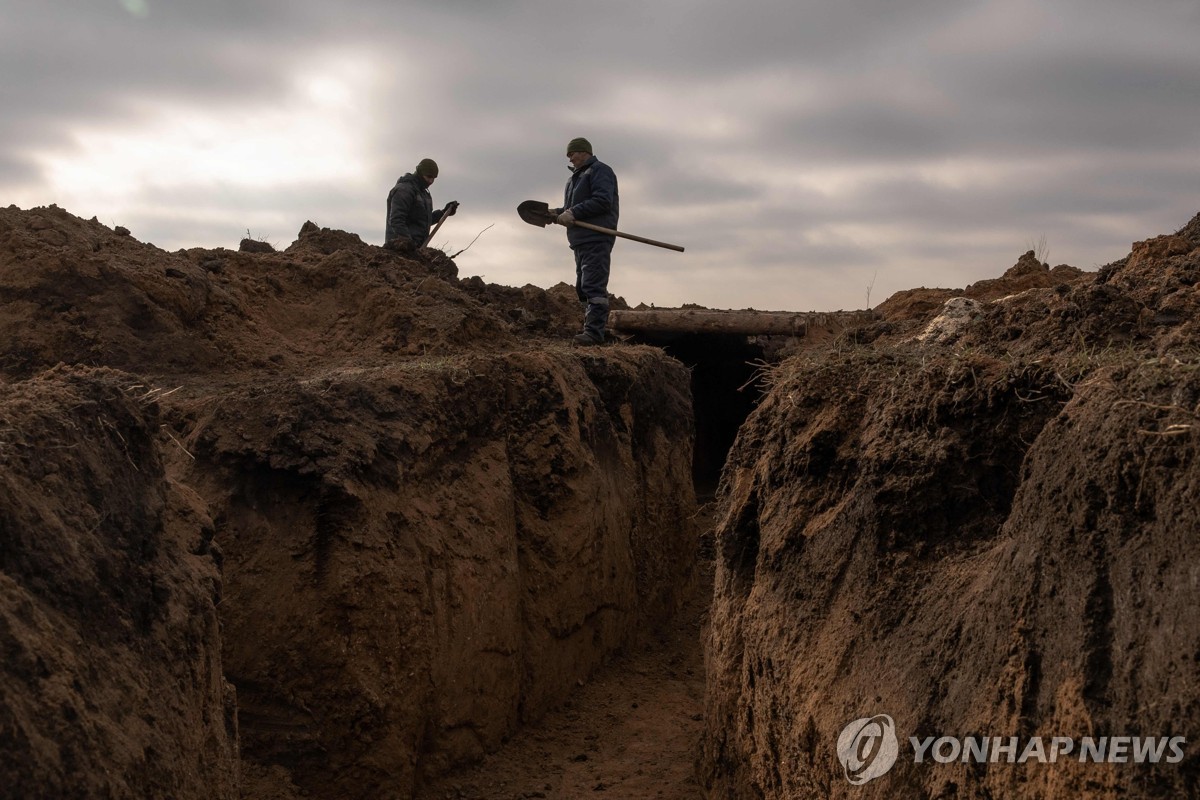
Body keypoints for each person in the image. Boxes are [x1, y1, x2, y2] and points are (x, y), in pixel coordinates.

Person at [551, 137, 619, 345]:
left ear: (584, 152)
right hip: (579, 239)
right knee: (582, 287)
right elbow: (573, 208)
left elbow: (602, 201)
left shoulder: (599, 170)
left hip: (596, 237)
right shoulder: (574, 179)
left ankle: (594, 334)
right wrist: (556, 213)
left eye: (572, 154)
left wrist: (572, 212)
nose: (570, 158)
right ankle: (594, 328)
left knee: (593, 285)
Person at [385, 158, 459, 249]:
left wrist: (444, 212)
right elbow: (396, 220)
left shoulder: (424, 194)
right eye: (429, 177)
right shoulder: (404, 190)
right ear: (420, 173)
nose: (431, 181)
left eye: (433, 178)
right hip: (399, 251)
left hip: (416, 250)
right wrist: (408, 243)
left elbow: (423, 221)